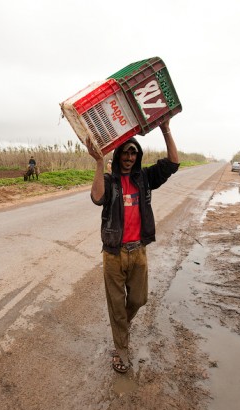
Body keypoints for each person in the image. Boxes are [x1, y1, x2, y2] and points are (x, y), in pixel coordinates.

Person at [86, 120, 179, 374]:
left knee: (138, 299)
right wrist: (98, 162)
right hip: (114, 254)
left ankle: (120, 329)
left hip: (138, 252)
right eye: (125, 152)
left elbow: (172, 163)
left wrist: (165, 129)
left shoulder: (145, 178)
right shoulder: (110, 180)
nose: (129, 156)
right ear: (118, 156)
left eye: (133, 152)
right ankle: (121, 350)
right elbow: (97, 197)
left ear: (137, 156)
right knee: (116, 305)